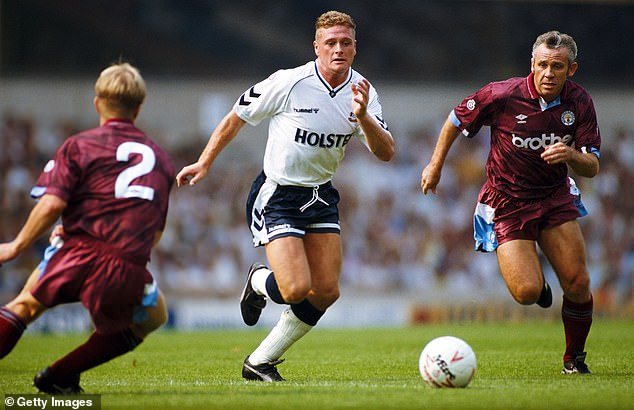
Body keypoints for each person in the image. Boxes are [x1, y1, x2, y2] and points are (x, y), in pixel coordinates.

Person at [176, 10, 395, 381]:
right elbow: (237, 116)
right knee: (295, 288)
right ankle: (260, 280)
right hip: (277, 193)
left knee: (325, 291)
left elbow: (387, 151)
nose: (338, 49)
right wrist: (203, 162)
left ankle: (259, 362)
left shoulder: (363, 92)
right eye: (330, 43)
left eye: (345, 43)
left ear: (355, 48)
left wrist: (364, 118)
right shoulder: (289, 82)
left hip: (320, 194)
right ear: (316, 47)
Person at [421, 31, 600, 374]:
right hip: (508, 201)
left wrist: (572, 155)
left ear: (571, 69)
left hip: (554, 196)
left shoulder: (580, 103)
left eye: (557, 67)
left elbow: (592, 165)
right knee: (526, 292)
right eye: (543, 65)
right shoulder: (502, 94)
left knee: (578, 283)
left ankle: (574, 359)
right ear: (531, 64)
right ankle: (540, 282)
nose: (549, 73)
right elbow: (456, 119)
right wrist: (435, 164)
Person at [0, 62, 175, 393]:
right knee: (154, 316)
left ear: (97, 103)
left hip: (77, 252)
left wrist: (16, 246)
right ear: (138, 108)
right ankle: (60, 374)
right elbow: (153, 234)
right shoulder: (161, 159)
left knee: (25, 306)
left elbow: (52, 203)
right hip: (125, 264)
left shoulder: (79, 145)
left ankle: (60, 376)